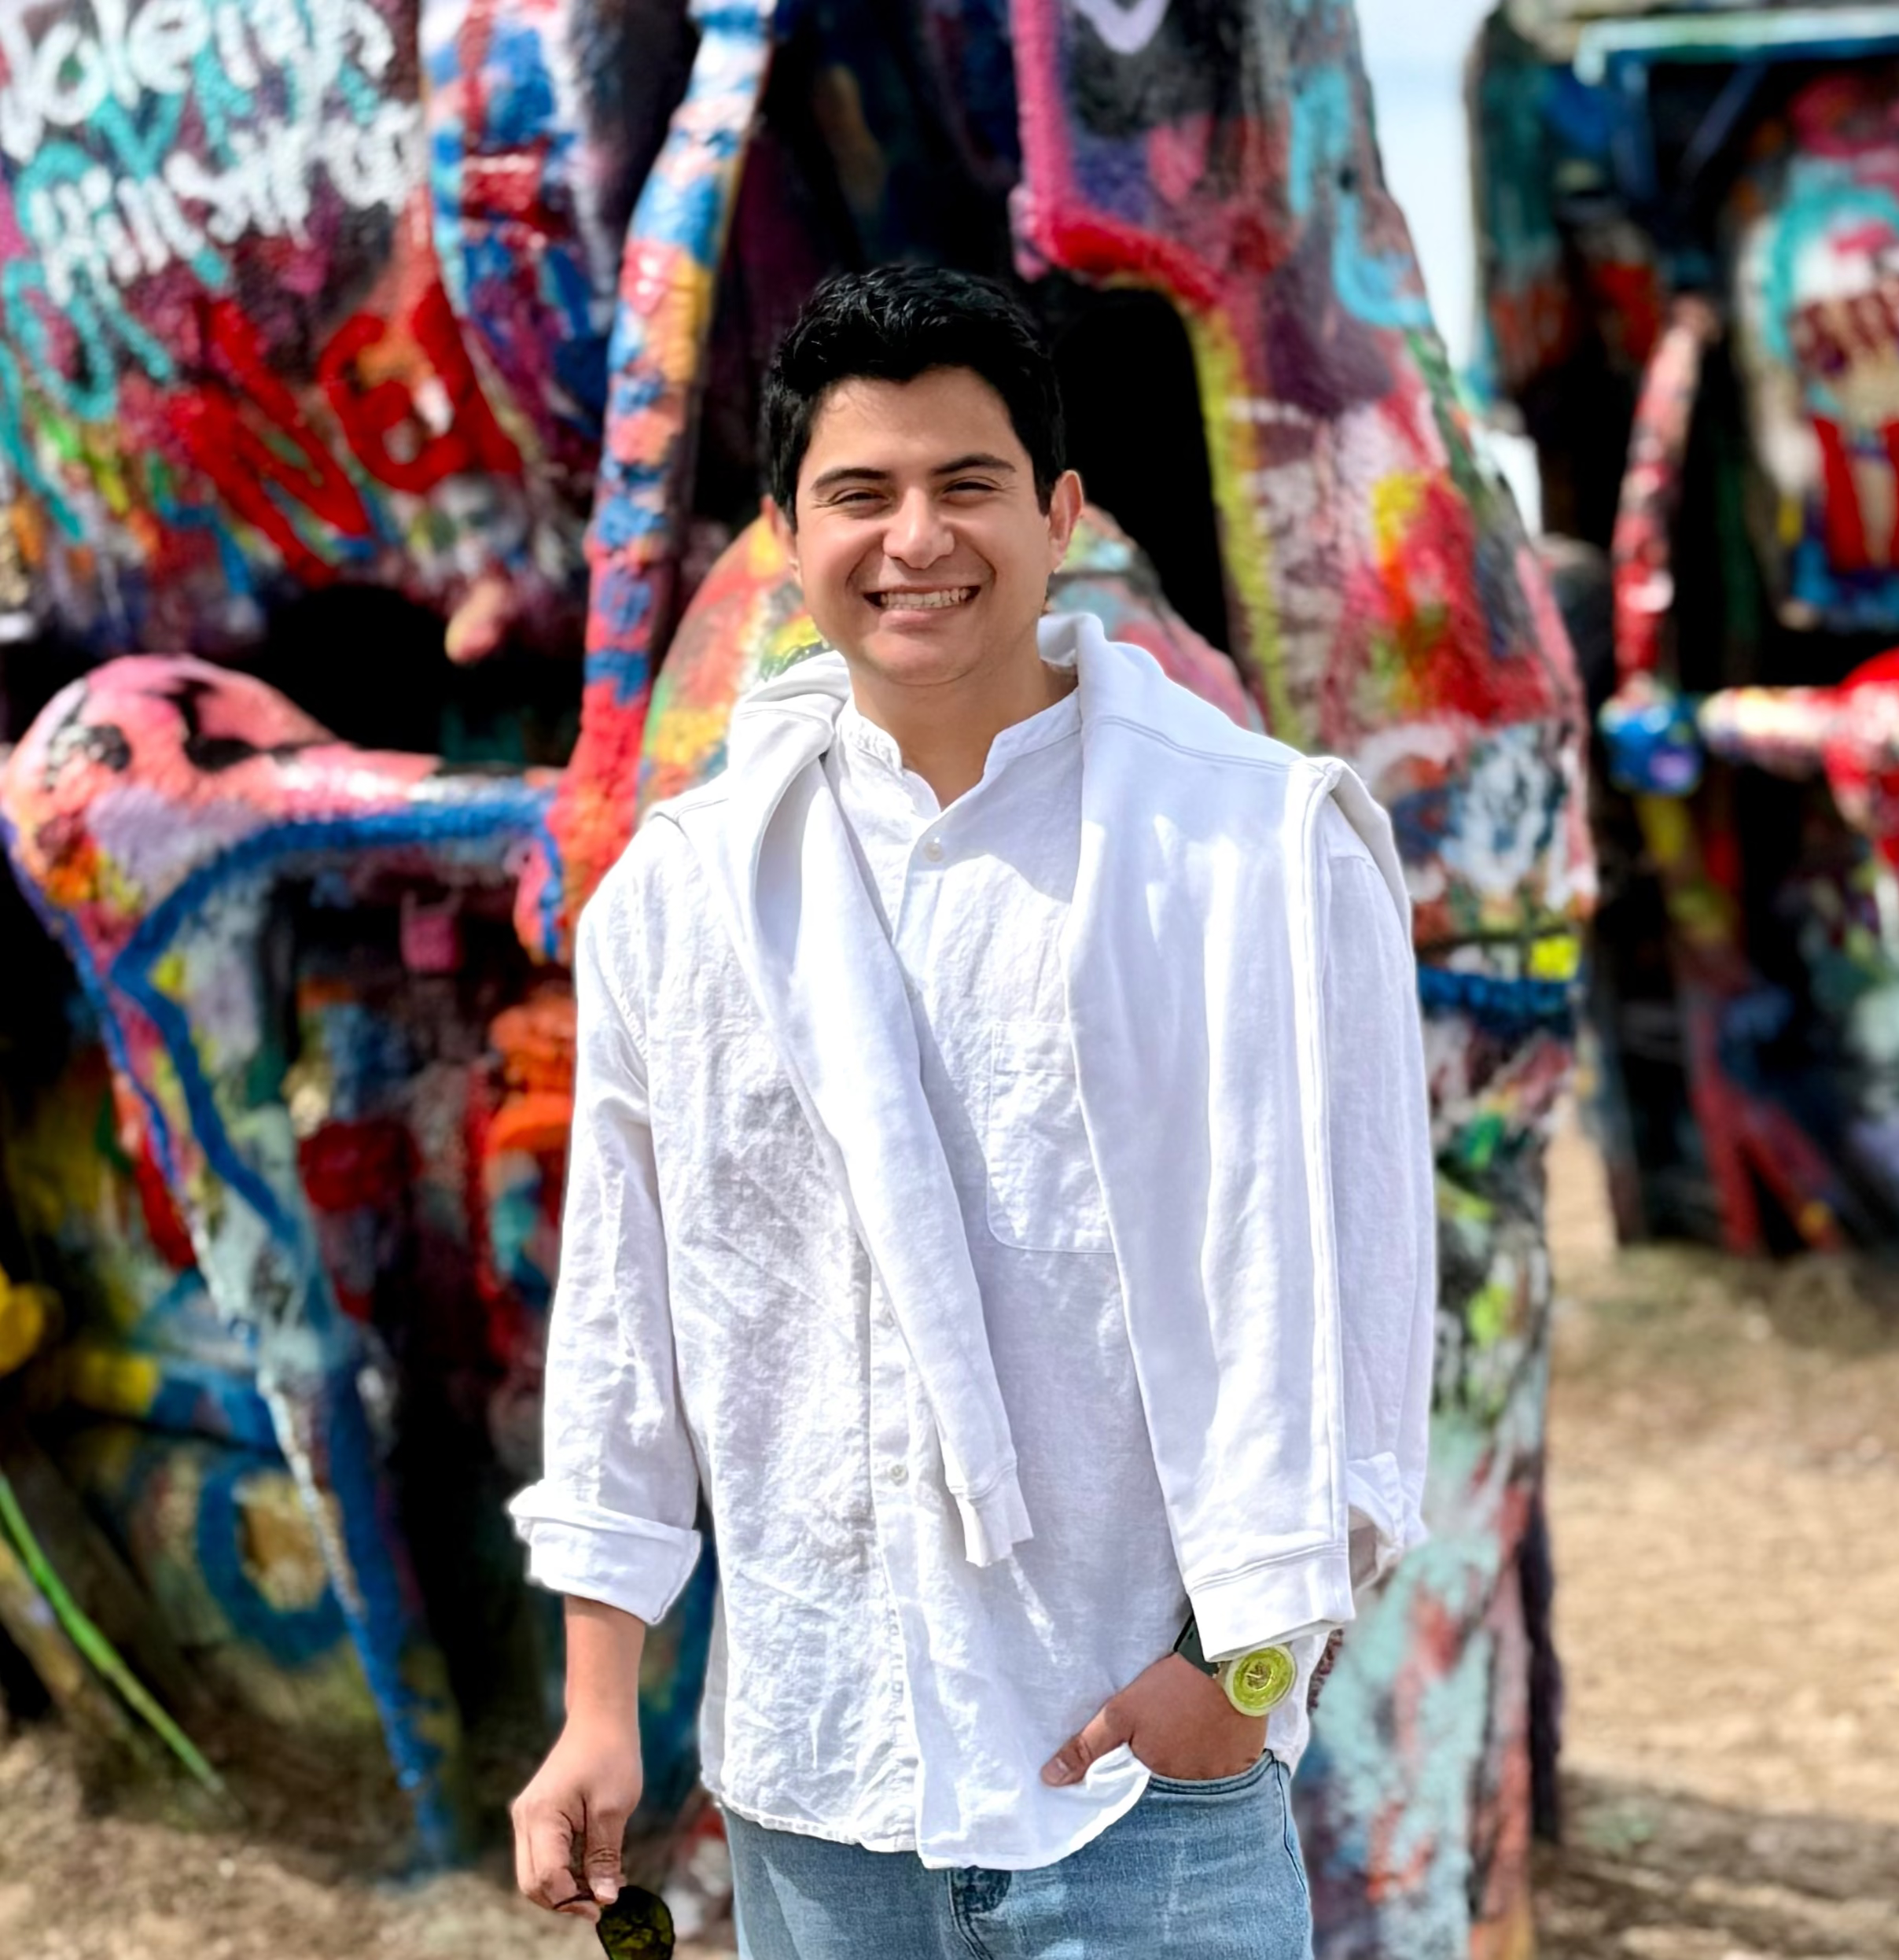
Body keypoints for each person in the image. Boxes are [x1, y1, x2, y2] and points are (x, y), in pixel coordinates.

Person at [508, 265, 1435, 1958]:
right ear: (786, 536)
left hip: (1145, 1800)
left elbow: (1360, 1312)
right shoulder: (686, 896)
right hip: (820, 1787)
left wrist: (1237, 1681)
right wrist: (594, 1707)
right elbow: (625, 1328)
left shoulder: (1257, 852)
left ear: (1061, 515)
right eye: (860, 493)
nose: (915, 538)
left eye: (968, 484)